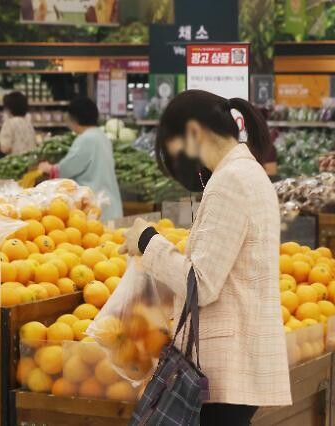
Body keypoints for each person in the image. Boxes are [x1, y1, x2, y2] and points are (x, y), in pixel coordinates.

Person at [121, 90, 291, 425]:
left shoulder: (231, 181)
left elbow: (202, 283)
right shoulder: (248, 173)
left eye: (175, 148)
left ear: (195, 133)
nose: (179, 161)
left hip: (226, 365)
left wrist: (147, 241)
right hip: (236, 362)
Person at [38, 97, 122, 221]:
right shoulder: (101, 135)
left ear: (73, 119)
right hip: (109, 204)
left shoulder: (86, 139)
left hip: (95, 207)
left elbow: (68, 168)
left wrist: (49, 168)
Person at [0, 91, 37, 168]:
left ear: (9, 108)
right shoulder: (28, 124)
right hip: (30, 164)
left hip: (15, 166)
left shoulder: (9, 123)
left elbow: (5, 148)